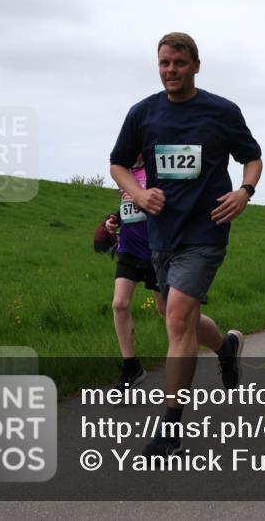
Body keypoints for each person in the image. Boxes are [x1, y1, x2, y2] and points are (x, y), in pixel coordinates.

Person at [110, 32, 263, 457]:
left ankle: (170, 428)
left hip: (207, 230)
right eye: (163, 63)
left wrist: (244, 192)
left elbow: (252, 156)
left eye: (178, 63)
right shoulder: (143, 114)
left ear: (196, 65)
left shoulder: (221, 112)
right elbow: (118, 163)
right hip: (162, 234)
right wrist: (138, 195)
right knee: (174, 315)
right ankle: (226, 345)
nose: (170, 70)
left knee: (176, 319)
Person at [104, 154, 166, 391]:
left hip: (156, 250)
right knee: (119, 304)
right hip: (129, 249)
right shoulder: (124, 171)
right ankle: (132, 368)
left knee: (167, 310)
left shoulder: (157, 169)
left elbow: (165, 205)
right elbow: (128, 207)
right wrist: (114, 220)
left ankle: (219, 345)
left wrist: (141, 200)